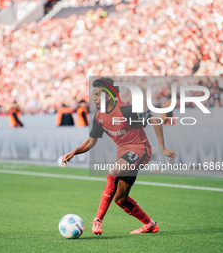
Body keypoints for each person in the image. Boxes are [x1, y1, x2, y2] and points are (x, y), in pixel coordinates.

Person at [61, 78, 176, 235]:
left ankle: (97, 221)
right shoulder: (99, 117)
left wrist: (163, 148)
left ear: (108, 96)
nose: (93, 98)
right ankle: (150, 224)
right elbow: (91, 143)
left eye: (97, 94)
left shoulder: (126, 111)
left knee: (112, 173)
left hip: (141, 149)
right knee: (120, 198)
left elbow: (155, 119)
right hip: (124, 153)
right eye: (92, 94)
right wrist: (74, 152)